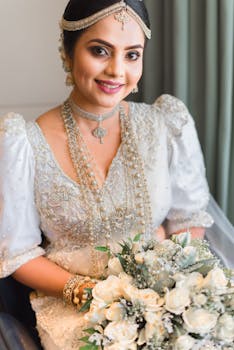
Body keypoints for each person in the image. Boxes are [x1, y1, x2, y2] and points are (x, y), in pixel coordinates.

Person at [0, 0, 224, 348]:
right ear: (69, 50)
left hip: (162, 299)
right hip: (75, 311)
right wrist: (85, 292)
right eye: (100, 51)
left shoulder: (166, 124)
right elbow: (18, 254)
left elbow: (188, 220)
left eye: (132, 54)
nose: (117, 70)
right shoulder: (23, 143)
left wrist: (169, 284)